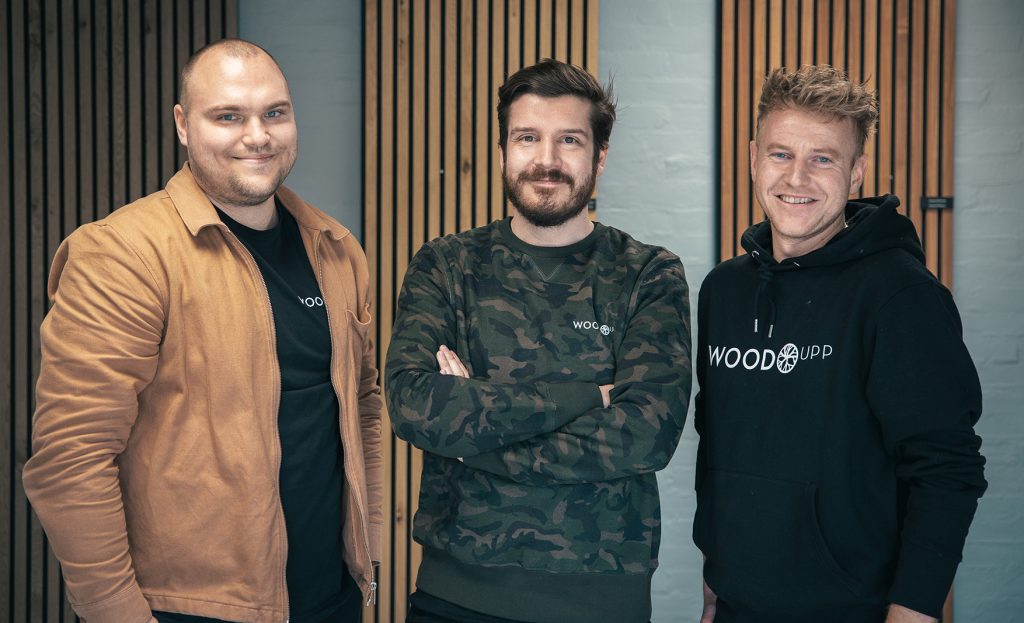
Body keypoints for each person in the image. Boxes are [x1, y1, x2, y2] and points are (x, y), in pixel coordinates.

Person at [23, 39, 383, 623]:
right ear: (183, 125)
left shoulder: (337, 249)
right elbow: (72, 455)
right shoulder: (122, 255)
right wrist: (115, 614)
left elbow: (362, 408)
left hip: (333, 599)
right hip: (188, 610)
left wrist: (369, 550)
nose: (257, 136)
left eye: (274, 112)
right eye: (228, 116)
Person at [385, 59, 692, 623]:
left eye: (569, 140)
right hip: (456, 596)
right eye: (527, 137)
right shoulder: (447, 266)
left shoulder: (648, 275)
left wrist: (475, 440)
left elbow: (646, 434)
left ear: (600, 156)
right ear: (503, 150)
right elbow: (413, 403)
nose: (546, 160)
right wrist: (587, 397)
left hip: (602, 601)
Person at [693, 65, 986, 623]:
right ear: (754, 157)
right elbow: (719, 440)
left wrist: (914, 609)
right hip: (734, 604)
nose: (797, 177)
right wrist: (715, 573)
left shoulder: (900, 295)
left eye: (823, 159)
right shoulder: (724, 291)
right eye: (781, 154)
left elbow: (947, 468)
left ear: (857, 173)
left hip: (855, 609)